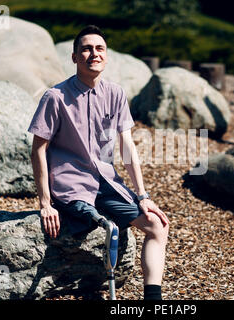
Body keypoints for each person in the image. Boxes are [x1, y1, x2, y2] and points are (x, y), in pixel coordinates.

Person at [28, 25, 169, 300]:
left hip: (106, 183)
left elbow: (127, 146)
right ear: (75, 57)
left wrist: (143, 195)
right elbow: (38, 150)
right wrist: (45, 203)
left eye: (100, 48)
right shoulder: (55, 97)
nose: (94, 53)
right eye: (87, 48)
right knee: (103, 225)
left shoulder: (115, 94)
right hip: (71, 184)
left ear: (106, 55)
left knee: (158, 225)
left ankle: (153, 301)